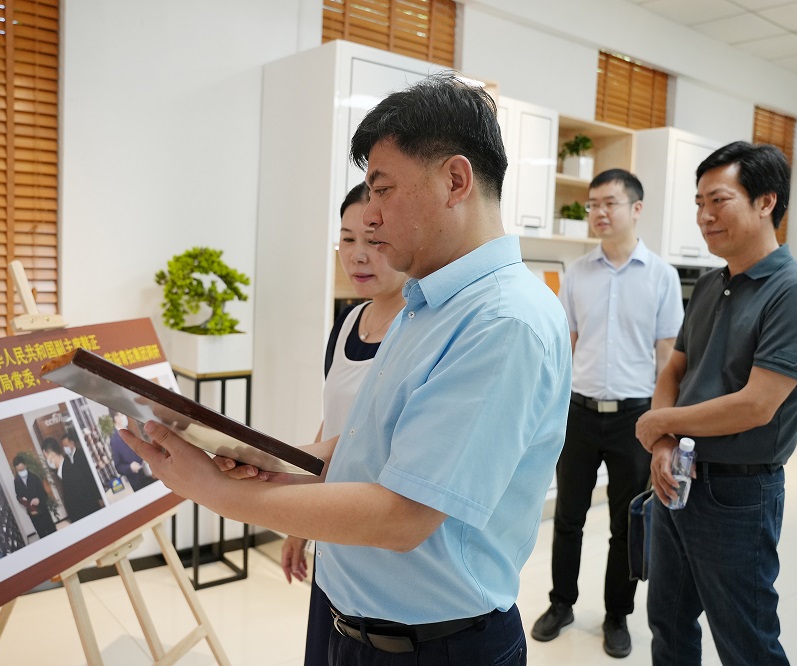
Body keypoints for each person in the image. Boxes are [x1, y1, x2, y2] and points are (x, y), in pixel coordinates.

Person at [120, 72, 572, 665]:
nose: (372, 217)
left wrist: (214, 490)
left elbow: (403, 516)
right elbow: (371, 443)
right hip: (348, 619)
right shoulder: (425, 302)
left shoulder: (503, 322)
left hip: (435, 647)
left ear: (455, 181)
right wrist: (273, 460)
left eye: (382, 190)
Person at [635, 141, 797, 665]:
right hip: (677, 476)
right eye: (699, 203)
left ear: (766, 202)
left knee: (746, 641)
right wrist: (664, 440)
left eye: (718, 200)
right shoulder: (709, 284)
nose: (704, 216)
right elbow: (675, 369)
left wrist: (658, 421)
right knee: (668, 624)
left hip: (737, 494)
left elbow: (756, 405)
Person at [531, 169, 682, 658]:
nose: (598, 212)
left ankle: (617, 614)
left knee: (627, 522)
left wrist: (664, 426)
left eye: (608, 203)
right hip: (579, 411)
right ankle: (561, 603)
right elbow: (566, 345)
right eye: (592, 204)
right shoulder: (577, 273)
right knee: (568, 517)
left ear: (636, 209)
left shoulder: (661, 276)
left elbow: (667, 357)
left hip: (635, 417)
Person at [278, 181, 408, 664]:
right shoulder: (348, 321)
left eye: (373, 240)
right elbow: (332, 423)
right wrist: (299, 519)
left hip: (379, 537)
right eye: (347, 239)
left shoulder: (416, 331)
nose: (358, 255)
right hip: (332, 529)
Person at [42, 433, 104, 522]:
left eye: (46, 457)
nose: (47, 461)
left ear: (51, 455)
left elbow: (83, 500)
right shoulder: (65, 470)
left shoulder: (69, 471)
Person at [12, 454, 57, 539]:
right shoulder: (16, 482)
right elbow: (18, 496)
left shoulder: (34, 477)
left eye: (22, 469)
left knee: (51, 531)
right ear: (16, 469)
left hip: (42, 510)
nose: (22, 472)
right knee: (42, 535)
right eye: (19, 471)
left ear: (25, 465)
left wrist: (38, 499)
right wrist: (22, 500)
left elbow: (44, 494)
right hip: (32, 513)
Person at [109, 411, 156, 491]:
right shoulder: (114, 441)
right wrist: (130, 467)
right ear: (116, 418)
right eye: (122, 414)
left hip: (150, 475)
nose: (125, 416)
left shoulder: (131, 430)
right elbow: (118, 466)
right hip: (139, 483)